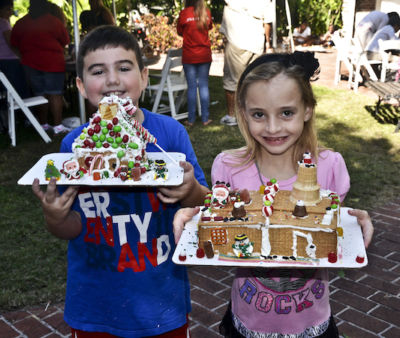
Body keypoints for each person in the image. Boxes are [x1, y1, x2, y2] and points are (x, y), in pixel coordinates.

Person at [173, 52, 374, 337]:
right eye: (259, 114)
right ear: (243, 113)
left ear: (307, 110)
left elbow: (331, 225)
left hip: (312, 321)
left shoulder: (329, 166)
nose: (273, 127)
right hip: (248, 319)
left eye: (287, 112)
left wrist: (356, 221)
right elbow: (220, 215)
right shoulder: (228, 167)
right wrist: (193, 216)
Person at [32, 25, 209, 338]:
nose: (112, 80)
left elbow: (203, 203)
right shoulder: (75, 146)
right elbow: (70, 226)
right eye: (98, 71)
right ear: (81, 86)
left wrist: (190, 189)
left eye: (123, 68)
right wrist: (55, 216)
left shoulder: (169, 135)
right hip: (95, 305)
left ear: (143, 77)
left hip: (162, 302)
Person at [10, 0, 70, 134]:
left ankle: (43, 124)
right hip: (53, 63)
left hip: (30, 64)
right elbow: (65, 40)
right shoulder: (54, 21)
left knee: (40, 94)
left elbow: (14, 42)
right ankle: (58, 126)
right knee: (54, 94)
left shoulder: (21, 23)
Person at [219, 0, 273, 127]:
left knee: (232, 80)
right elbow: (268, 22)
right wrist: (268, 43)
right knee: (257, 81)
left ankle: (232, 116)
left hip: (236, 43)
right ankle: (258, 115)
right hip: (257, 44)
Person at [177, 0, 213, 126]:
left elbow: (179, 31)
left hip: (189, 55)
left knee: (192, 87)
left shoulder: (184, 13)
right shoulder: (206, 12)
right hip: (204, 54)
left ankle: (191, 119)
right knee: (204, 86)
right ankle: (205, 119)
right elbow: (209, 27)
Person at [0, 0, 29, 100]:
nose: (9, 12)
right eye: (6, 10)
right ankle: (28, 114)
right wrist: (22, 57)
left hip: (3, 62)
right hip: (10, 62)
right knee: (22, 90)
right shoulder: (3, 22)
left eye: (10, 10)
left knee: (5, 91)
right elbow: (11, 43)